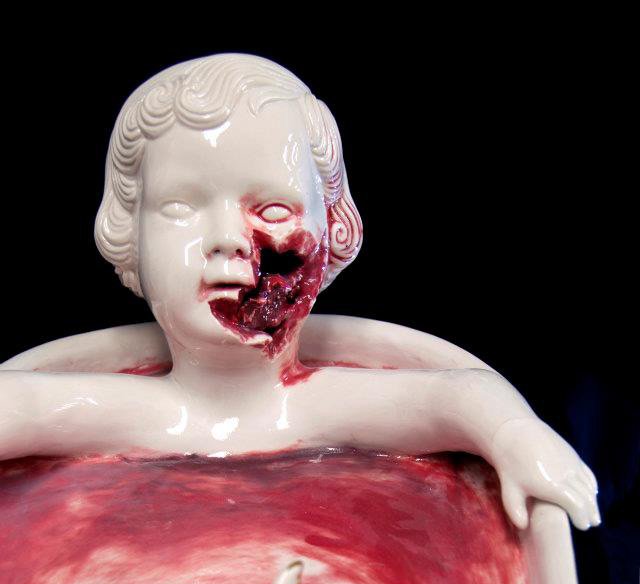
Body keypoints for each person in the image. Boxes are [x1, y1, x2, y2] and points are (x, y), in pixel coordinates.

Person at [0, 53, 599, 531]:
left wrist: (515, 437)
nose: (228, 239)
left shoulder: (322, 405)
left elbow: (459, 395)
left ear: (333, 229)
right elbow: (18, 403)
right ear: (129, 234)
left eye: (273, 210)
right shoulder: (127, 412)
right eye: (180, 206)